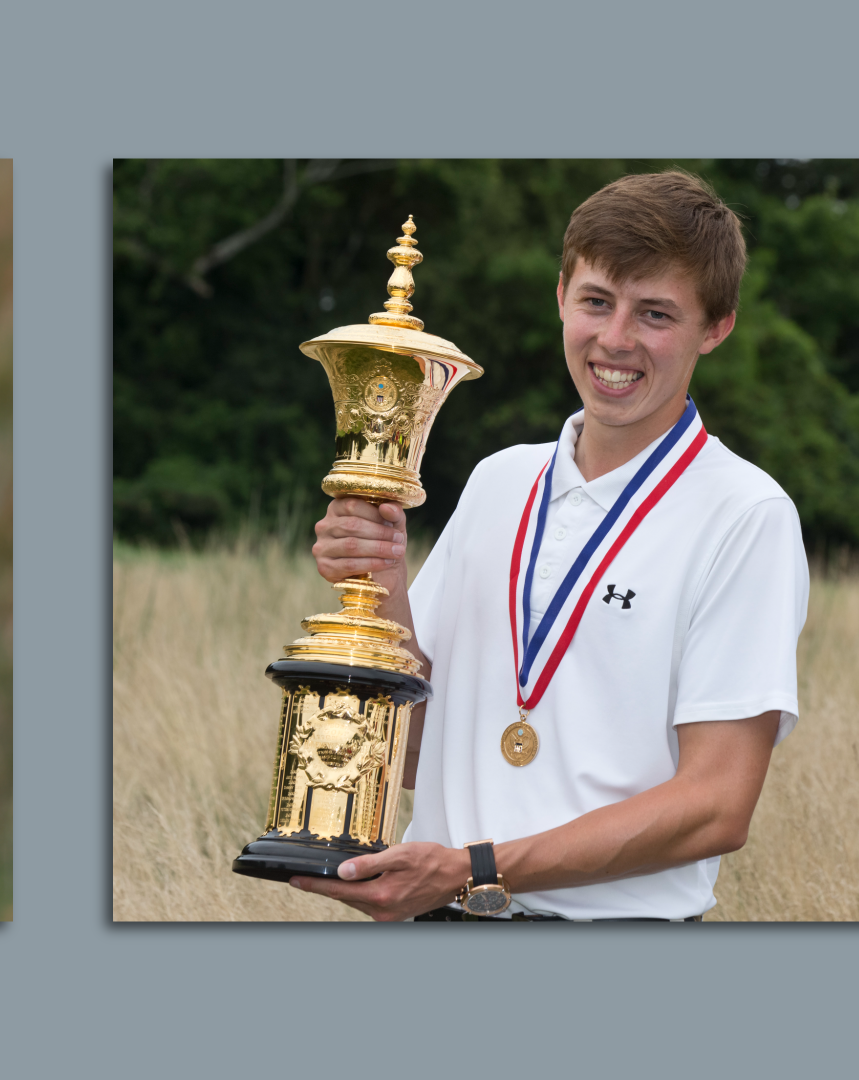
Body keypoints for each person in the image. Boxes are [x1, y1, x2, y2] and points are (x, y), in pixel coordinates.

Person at [294, 172, 809, 921]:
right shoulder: (499, 481)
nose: (616, 339)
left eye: (656, 313)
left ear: (716, 326)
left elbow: (717, 806)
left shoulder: (745, 514)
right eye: (597, 301)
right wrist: (382, 583)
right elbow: (414, 756)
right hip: (436, 919)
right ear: (561, 293)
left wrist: (473, 870)